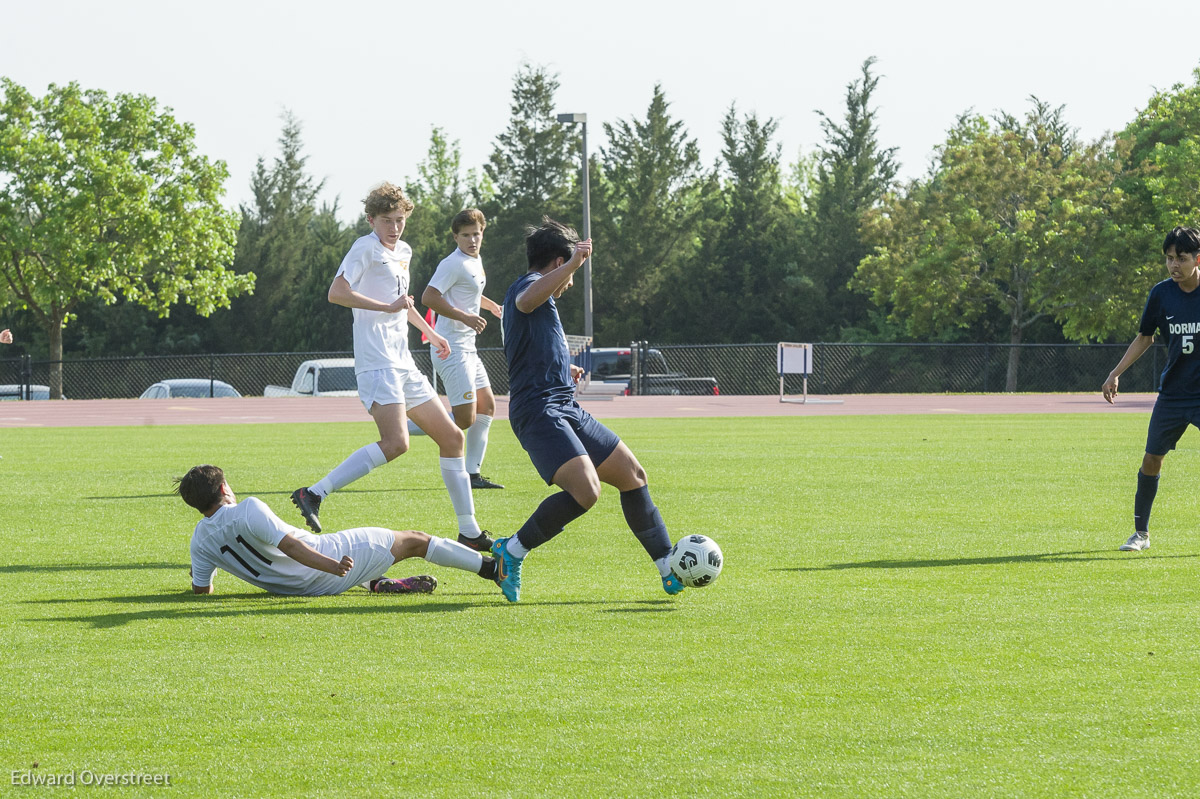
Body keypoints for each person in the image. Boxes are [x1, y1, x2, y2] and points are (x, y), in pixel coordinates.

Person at [290, 183, 493, 554]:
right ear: (372, 219)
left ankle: (469, 531)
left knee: (452, 437)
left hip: (404, 362)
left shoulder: (404, 251)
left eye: (400, 220)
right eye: (387, 220)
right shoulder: (364, 248)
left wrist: (431, 333)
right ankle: (314, 492)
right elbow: (336, 292)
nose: (395, 227)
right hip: (377, 363)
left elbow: (404, 302)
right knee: (397, 443)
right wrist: (384, 308)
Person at [491, 218, 683, 602]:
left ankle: (667, 565)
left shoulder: (543, 299)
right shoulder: (528, 287)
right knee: (586, 491)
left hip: (563, 404)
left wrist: (565, 366)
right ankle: (510, 552)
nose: (572, 282)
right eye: (569, 270)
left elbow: (534, 342)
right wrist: (576, 262)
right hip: (539, 411)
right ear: (559, 261)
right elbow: (525, 301)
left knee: (632, 474)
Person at [178, 464, 499, 596]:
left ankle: (379, 582)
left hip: (294, 588)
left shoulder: (199, 540)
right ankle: (490, 568)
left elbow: (201, 589)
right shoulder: (248, 509)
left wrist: (201, 569)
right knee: (415, 541)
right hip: (327, 563)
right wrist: (334, 567)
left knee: (367, 558)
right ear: (223, 488)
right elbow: (292, 547)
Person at [1102, 225, 1200, 552]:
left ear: (1197, 258)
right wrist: (1115, 373)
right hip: (1173, 395)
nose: (1174, 265)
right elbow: (1145, 337)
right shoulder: (1161, 294)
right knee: (1151, 460)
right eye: (1169, 259)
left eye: (1181, 258)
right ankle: (1140, 534)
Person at [420, 209, 505, 490]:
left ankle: (473, 475)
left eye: (476, 234)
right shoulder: (452, 263)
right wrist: (465, 317)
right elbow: (429, 296)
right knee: (465, 420)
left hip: (469, 348)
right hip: (451, 348)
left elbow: (468, 293)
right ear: (455, 237)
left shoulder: (475, 260)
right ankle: (400, 427)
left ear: (482, 234)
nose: (471, 240)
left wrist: (489, 305)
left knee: (488, 407)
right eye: (465, 235)